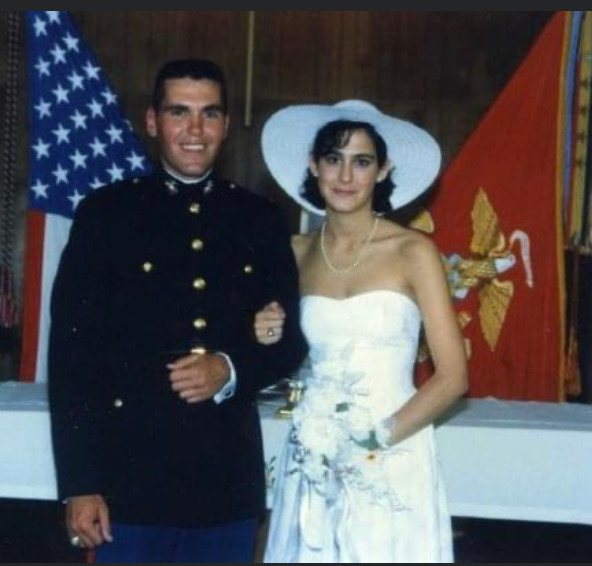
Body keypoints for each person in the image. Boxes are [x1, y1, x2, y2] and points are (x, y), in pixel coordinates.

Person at [48, 59, 308, 564]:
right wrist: (80, 484)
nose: (195, 130)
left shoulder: (259, 220)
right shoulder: (105, 215)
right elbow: (72, 359)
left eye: (209, 114)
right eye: (178, 112)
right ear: (152, 122)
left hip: (225, 483)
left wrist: (230, 368)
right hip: (130, 483)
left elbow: (291, 340)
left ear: (227, 125)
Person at [255, 100, 468, 562]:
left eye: (362, 161)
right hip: (314, 452)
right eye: (334, 159)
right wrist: (265, 332)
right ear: (313, 167)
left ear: (383, 169)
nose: (346, 177)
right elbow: (278, 355)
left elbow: (454, 378)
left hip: (393, 449)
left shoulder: (413, 251)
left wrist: (372, 441)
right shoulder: (293, 252)